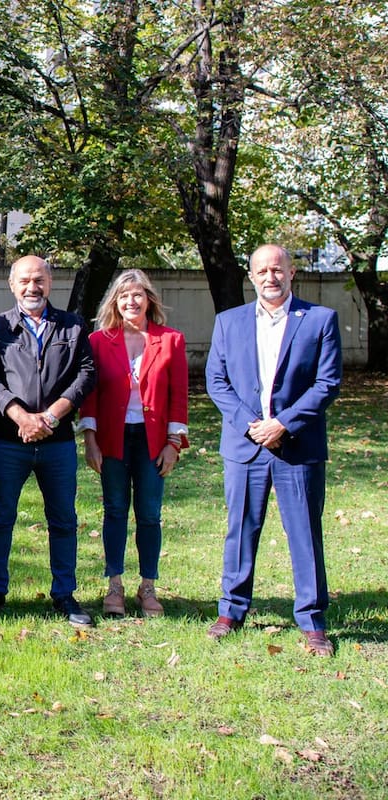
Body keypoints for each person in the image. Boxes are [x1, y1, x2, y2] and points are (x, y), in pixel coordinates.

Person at [205, 244, 341, 656]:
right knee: (240, 531)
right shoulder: (229, 322)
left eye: (277, 269)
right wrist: (254, 426)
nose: (270, 277)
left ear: (291, 272)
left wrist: (282, 424)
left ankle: (313, 621)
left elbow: (327, 383)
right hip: (246, 447)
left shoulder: (320, 320)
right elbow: (217, 380)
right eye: (262, 270)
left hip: (297, 447)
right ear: (251, 276)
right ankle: (231, 611)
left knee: (304, 533)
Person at [0, 255, 96, 627]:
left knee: (63, 520)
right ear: (12, 285)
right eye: (24, 280)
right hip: (7, 441)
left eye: (39, 280)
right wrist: (22, 417)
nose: (32, 287)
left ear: (50, 282)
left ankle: (64, 593)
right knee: (0, 517)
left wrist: (51, 415)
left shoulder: (73, 326)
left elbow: (87, 373)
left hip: (57, 442)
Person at [80, 270, 188, 618]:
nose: (131, 301)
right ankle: (114, 585)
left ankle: (148, 586)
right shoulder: (98, 341)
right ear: (115, 301)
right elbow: (90, 395)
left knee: (149, 514)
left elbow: (178, 396)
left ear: (149, 299)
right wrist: (90, 439)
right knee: (114, 510)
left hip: (152, 439)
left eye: (138, 295)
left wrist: (174, 442)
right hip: (111, 439)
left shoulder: (171, 340)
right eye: (124, 296)